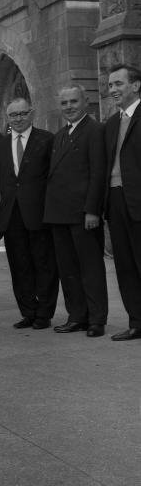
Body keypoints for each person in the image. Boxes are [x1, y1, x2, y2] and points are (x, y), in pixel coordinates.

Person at [43, 85, 108, 338]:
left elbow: (98, 173)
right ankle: (77, 316)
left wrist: (92, 210)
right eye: (64, 103)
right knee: (68, 269)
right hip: (59, 214)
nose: (68, 107)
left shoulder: (95, 131)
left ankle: (96, 319)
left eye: (73, 101)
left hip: (83, 214)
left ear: (86, 101)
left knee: (90, 269)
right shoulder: (59, 135)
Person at [0, 97, 58, 329]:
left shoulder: (46, 140)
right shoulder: (0, 145)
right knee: (19, 265)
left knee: (44, 265)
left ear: (31, 113)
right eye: (13, 115)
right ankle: (28, 312)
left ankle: (44, 314)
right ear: (7, 117)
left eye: (22, 114)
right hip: (11, 215)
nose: (18, 119)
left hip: (39, 213)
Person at [104, 64, 141, 341]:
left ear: (136, 85)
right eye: (110, 85)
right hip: (116, 202)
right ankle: (136, 322)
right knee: (125, 265)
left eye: (118, 84)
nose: (113, 90)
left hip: (138, 199)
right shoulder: (112, 122)